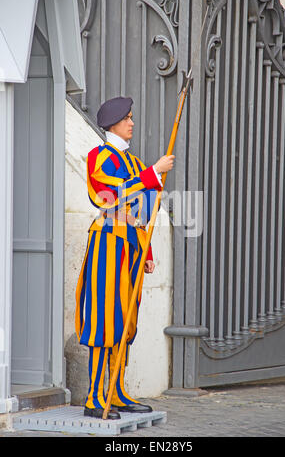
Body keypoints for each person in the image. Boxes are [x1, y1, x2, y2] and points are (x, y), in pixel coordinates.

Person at [75, 96, 175, 419]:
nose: (132, 123)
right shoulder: (98, 157)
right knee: (104, 321)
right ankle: (94, 398)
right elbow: (109, 196)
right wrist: (152, 174)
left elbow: (140, 212)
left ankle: (116, 391)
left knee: (124, 321)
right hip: (107, 246)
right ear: (114, 123)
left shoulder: (133, 163)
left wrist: (144, 250)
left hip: (129, 250)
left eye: (132, 117)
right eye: (128, 118)